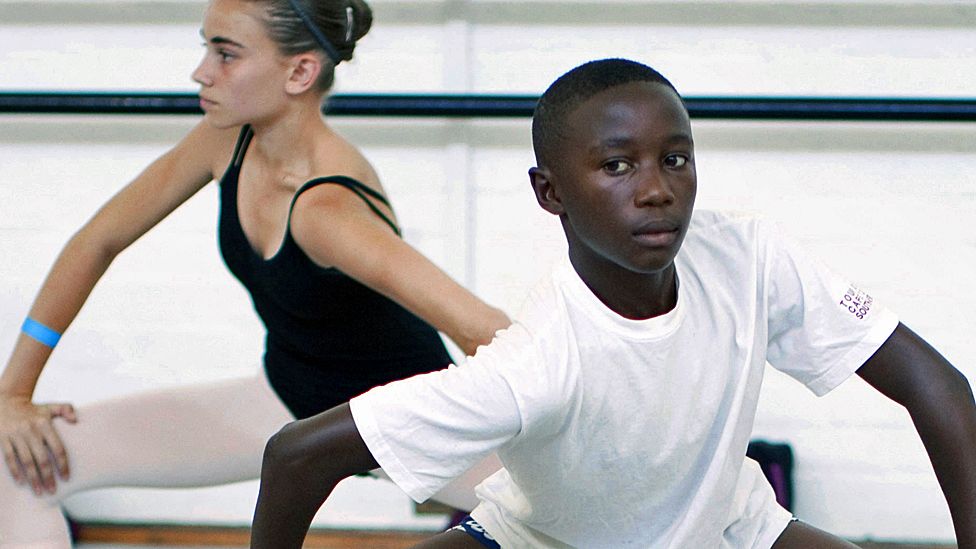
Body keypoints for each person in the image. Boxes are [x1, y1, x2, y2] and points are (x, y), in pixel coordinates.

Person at [249, 58, 976, 548]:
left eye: (676, 157)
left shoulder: (748, 258)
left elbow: (936, 384)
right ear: (551, 193)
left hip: (729, 526)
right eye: (617, 165)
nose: (656, 188)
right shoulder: (537, 362)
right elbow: (294, 457)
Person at [0, 0, 509, 545]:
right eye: (207, 48)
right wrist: (13, 394)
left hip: (404, 424)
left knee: (586, 519)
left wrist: (576, 432)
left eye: (226, 54)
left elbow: (484, 329)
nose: (201, 72)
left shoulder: (326, 209)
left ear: (300, 72)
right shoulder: (227, 140)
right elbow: (97, 241)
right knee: (19, 469)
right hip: (291, 396)